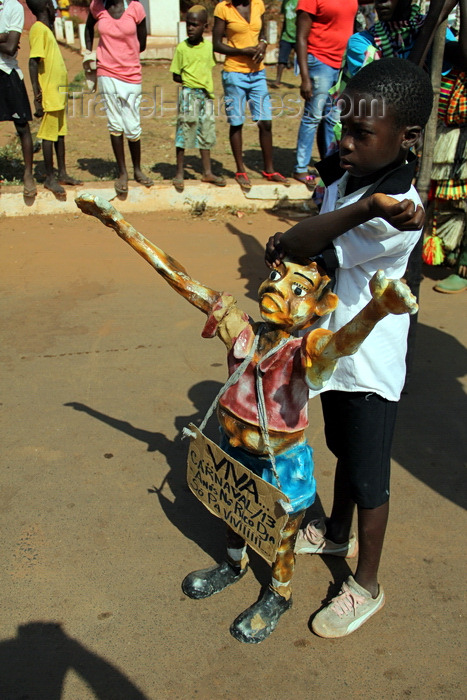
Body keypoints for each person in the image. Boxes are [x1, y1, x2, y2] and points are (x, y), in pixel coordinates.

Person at [77, 190, 418, 644]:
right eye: (277, 276)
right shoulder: (240, 330)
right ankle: (233, 562)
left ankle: (278, 593)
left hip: (281, 466)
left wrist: (376, 310)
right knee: (231, 506)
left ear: (319, 309)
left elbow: (341, 346)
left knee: (279, 534)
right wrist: (119, 224)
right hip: (233, 451)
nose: (277, 287)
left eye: (298, 289)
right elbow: (180, 280)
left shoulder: (306, 350)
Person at [265, 58, 434, 637]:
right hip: (332, 351)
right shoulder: (351, 175)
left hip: (369, 363)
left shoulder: (396, 212)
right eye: (345, 127)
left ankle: (366, 582)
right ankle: (336, 533)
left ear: (406, 138)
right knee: (339, 446)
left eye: (363, 134)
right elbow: (305, 237)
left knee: (368, 476)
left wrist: (341, 216)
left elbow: (306, 242)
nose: (346, 143)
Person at [213, 0, 289, 192]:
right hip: (234, 73)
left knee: (266, 122)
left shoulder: (258, 4)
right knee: (237, 122)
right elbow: (216, 44)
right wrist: (241, 51)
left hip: (257, 73)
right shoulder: (224, 8)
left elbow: (262, 34)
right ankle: (240, 170)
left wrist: (263, 45)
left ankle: (269, 169)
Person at [85, 0, 153, 196]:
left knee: (133, 124)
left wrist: (125, 54)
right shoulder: (97, 6)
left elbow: (142, 43)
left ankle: (137, 169)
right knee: (115, 123)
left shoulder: (135, 8)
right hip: (106, 71)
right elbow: (89, 28)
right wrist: (89, 53)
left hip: (131, 73)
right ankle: (122, 172)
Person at [293, 0, 358, 188]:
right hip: (319, 61)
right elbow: (301, 37)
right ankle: (301, 167)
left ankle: (331, 167)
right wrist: (305, 77)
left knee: (335, 119)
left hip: (344, 63)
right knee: (313, 116)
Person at [27, 0, 82, 195]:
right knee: (48, 137)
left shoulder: (47, 30)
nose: (56, 11)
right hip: (49, 93)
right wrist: (37, 95)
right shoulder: (38, 29)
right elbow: (33, 63)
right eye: (54, 7)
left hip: (58, 94)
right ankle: (50, 178)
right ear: (47, 8)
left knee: (59, 134)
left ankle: (62, 174)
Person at [170, 6, 225, 193]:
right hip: (189, 94)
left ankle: (207, 171)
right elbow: (175, 75)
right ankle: (179, 172)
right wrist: (190, 83)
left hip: (206, 96)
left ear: (205, 26)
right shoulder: (182, 48)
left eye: (195, 25)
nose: (191, 28)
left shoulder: (209, 47)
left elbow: (209, 66)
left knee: (206, 132)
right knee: (185, 130)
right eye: (188, 25)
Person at [0, 0, 36, 197]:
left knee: (22, 125)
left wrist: (8, 39)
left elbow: (11, 47)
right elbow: (6, 42)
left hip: (8, 71)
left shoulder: (14, 7)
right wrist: (2, 37)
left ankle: (28, 174)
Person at [271, 0, 298, 89]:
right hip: (286, 36)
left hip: (299, 37)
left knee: (303, 60)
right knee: (282, 59)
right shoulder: (286, 2)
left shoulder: (302, 1)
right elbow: (285, 20)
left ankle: (306, 81)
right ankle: (277, 81)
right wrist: (281, 34)